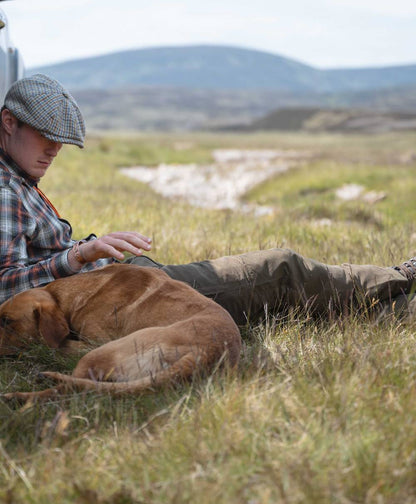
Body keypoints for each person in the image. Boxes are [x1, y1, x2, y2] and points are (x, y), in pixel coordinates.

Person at [0, 74, 415, 326]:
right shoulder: (5, 191)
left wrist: (83, 254)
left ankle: (401, 307)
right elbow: (4, 291)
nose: (55, 149)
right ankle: (400, 276)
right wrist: (78, 257)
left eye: (61, 141)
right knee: (280, 271)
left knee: (275, 294)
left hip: (113, 288)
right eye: (45, 136)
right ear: (8, 122)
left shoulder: (17, 176)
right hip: (107, 300)